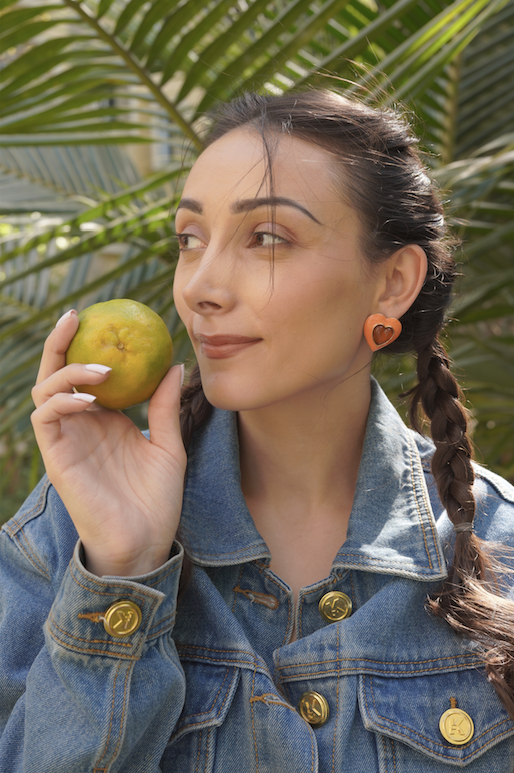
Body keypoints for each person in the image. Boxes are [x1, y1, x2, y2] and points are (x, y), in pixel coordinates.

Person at [1, 89, 514, 773]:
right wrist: (122, 574)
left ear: (392, 283)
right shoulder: (69, 539)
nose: (200, 287)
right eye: (189, 239)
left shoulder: (500, 555)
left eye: (267, 237)